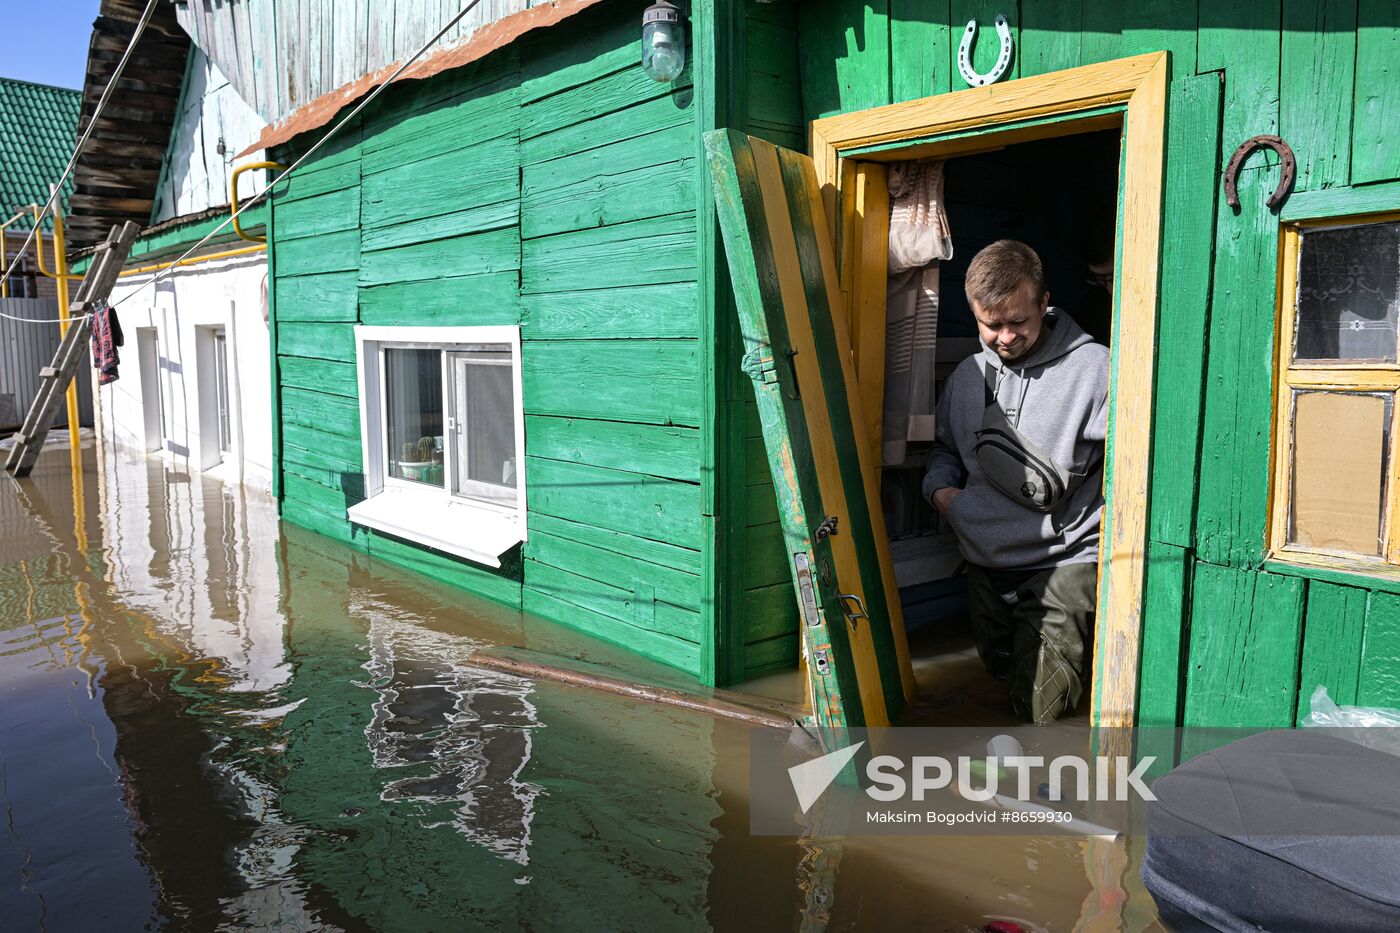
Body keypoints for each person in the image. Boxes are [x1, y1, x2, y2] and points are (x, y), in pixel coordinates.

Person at [923, 240, 1108, 723]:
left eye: (1017, 322)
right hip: (983, 560)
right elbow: (943, 450)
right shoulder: (967, 376)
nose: (1004, 337)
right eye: (991, 324)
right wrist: (943, 496)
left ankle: (1043, 792)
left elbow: (1139, 467)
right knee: (1000, 675)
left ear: (1044, 302)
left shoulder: (1097, 371)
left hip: (1064, 561)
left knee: (1042, 708)